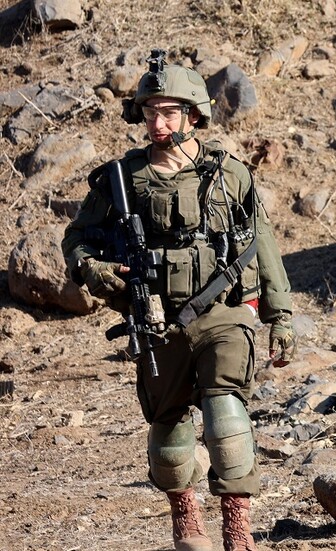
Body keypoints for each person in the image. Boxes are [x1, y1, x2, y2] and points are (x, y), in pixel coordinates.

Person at [62, 49, 295, 551]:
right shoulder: (121, 180)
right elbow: (77, 238)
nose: (157, 122)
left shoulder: (228, 175)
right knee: (168, 431)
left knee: (226, 413)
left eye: (168, 112)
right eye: (150, 112)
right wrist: (91, 267)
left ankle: (238, 529)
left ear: (193, 115)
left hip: (223, 312)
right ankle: (186, 515)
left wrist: (281, 316)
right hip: (156, 321)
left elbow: (263, 242)